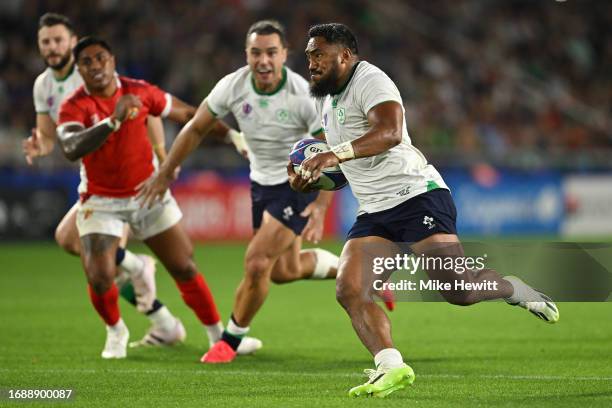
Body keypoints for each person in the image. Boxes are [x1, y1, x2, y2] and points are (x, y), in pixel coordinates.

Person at [292, 23, 560, 398]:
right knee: (350, 289)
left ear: (346, 56)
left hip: (416, 195)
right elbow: (341, 166)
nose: (311, 62)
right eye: (308, 55)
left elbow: (390, 132)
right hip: (374, 210)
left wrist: (332, 154)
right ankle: (392, 367)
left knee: (460, 290)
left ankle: (511, 287)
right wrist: (312, 176)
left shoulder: (371, 80)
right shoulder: (326, 99)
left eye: (319, 54)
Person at [138, 20, 388, 364]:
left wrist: (320, 203)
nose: (264, 60)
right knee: (284, 270)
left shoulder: (303, 93)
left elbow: (329, 150)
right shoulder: (233, 86)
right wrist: (165, 172)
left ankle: (231, 339)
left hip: (297, 183)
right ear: (247, 55)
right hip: (261, 185)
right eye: (256, 53)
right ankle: (364, 277)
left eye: (271, 52)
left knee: (256, 263)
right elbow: (196, 128)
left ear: (284, 55)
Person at [55, 36, 260, 359]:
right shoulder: (74, 105)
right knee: (99, 275)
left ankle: (217, 335)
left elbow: (190, 115)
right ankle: (115, 331)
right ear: (78, 69)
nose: (95, 66)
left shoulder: (140, 91)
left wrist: (232, 135)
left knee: (184, 266)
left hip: (148, 193)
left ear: (113, 60)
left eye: (100, 58)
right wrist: (113, 122)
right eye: (86, 62)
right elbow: (69, 148)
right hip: (101, 201)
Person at [24, 12, 185, 347]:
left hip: (129, 177)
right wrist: (40, 145)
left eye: (58, 40)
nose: (52, 47)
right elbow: (51, 137)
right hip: (94, 179)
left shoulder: (96, 73)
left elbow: (145, 108)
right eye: (45, 42)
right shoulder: (44, 85)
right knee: (74, 244)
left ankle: (152, 313)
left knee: (98, 264)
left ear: (71, 41)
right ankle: (163, 319)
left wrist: (161, 154)